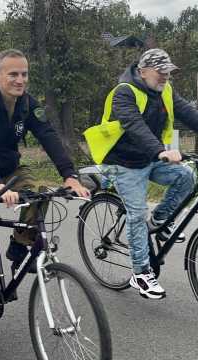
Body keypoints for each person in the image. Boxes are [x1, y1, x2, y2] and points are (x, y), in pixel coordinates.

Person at [0, 49, 90, 340]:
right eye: (13, 74)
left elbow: (48, 136)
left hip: (8, 169)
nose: (20, 80)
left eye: (24, 74)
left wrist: (70, 175)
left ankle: (19, 245)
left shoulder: (26, 104)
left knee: (42, 192)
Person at [98, 48, 198, 300]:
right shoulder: (124, 92)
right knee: (136, 213)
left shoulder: (165, 91)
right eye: (160, 71)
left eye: (168, 71)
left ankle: (160, 222)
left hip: (150, 157)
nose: (165, 76)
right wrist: (160, 151)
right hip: (123, 162)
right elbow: (134, 125)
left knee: (186, 176)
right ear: (142, 72)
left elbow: (189, 114)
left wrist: (159, 153)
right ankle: (140, 272)